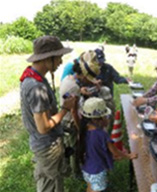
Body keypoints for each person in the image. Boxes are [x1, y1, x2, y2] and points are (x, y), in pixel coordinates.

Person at [20, 35, 77, 192]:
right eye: (59, 57)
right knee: (49, 187)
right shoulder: (36, 87)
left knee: (54, 182)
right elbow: (44, 127)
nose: (60, 62)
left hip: (46, 143)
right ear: (48, 58)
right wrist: (65, 109)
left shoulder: (35, 77)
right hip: (47, 146)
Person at [79, 97, 137, 192]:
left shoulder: (84, 130)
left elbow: (95, 149)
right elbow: (115, 151)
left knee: (90, 187)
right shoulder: (102, 134)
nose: (108, 119)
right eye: (107, 117)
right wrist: (128, 156)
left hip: (87, 169)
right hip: (97, 171)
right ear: (99, 119)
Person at [59, 49, 102, 179]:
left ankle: (69, 167)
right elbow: (73, 110)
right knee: (74, 148)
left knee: (67, 145)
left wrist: (81, 92)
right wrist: (80, 129)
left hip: (64, 120)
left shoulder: (68, 79)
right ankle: (76, 172)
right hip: (70, 122)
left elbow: (66, 96)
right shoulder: (75, 87)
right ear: (83, 75)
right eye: (88, 78)